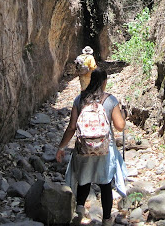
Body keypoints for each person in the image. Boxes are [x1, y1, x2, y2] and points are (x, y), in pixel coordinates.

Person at [56, 68, 127, 226]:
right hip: (104, 150)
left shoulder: (79, 99)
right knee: (105, 183)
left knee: (83, 180)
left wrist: (61, 147)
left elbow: (72, 127)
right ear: (104, 82)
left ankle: (79, 211)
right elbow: (120, 126)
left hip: (83, 149)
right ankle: (107, 219)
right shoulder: (110, 100)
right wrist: (122, 114)